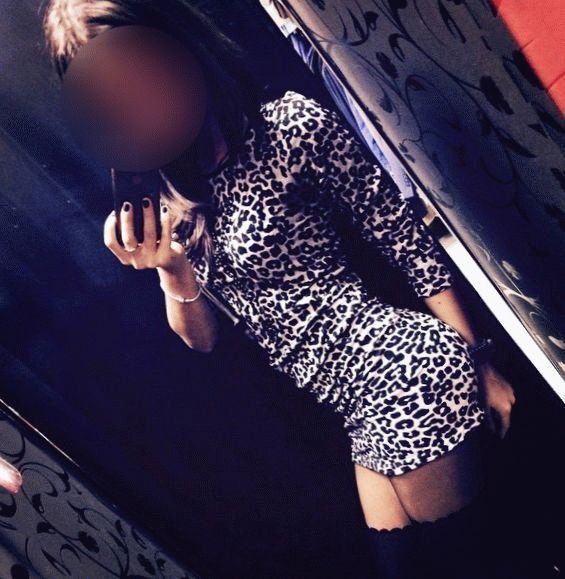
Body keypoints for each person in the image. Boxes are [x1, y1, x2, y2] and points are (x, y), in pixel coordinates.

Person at [42, 1, 519, 577]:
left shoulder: (287, 125)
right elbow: (201, 341)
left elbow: (403, 240)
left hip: (406, 372)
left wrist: (479, 362)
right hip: (356, 411)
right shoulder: (169, 195)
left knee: (461, 566)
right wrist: (170, 270)